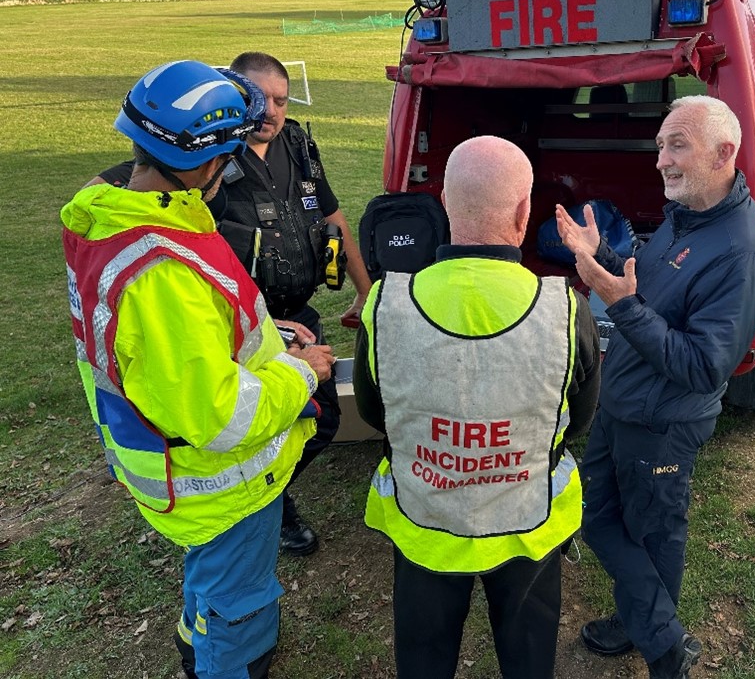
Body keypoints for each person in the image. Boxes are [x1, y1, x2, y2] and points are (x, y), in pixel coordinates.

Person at [61, 60, 335, 678]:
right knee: (238, 605)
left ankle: (197, 637)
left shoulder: (130, 218)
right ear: (208, 161)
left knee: (209, 583)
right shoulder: (161, 270)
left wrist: (270, 340)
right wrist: (302, 371)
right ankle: (224, 660)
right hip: (215, 481)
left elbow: (189, 344)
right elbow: (219, 414)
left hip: (171, 460)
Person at [95, 52, 372, 556]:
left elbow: (333, 214)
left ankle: (268, 492)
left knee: (321, 418)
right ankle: (267, 506)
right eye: (260, 97)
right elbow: (119, 187)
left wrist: (363, 288)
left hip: (292, 316)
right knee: (249, 421)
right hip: (227, 323)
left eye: (281, 100)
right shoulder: (202, 144)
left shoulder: (297, 145)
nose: (269, 111)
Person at [353, 135, 601, 679]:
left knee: (423, 659)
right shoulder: (565, 309)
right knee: (529, 660)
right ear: (523, 212)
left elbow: (376, 413)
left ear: (444, 204)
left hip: (426, 522)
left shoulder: (385, 304)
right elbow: (578, 421)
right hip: (527, 529)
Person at [555, 95, 755, 678]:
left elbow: (705, 366)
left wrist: (619, 305)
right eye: (660, 145)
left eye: (676, 144)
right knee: (598, 514)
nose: (661, 160)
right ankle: (651, 626)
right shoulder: (689, 214)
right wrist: (600, 254)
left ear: (724, 153)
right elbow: (652, 292)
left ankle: (662, 648)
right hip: (622, 403)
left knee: (653, 533)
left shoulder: (743, 252)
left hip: (662, 424)